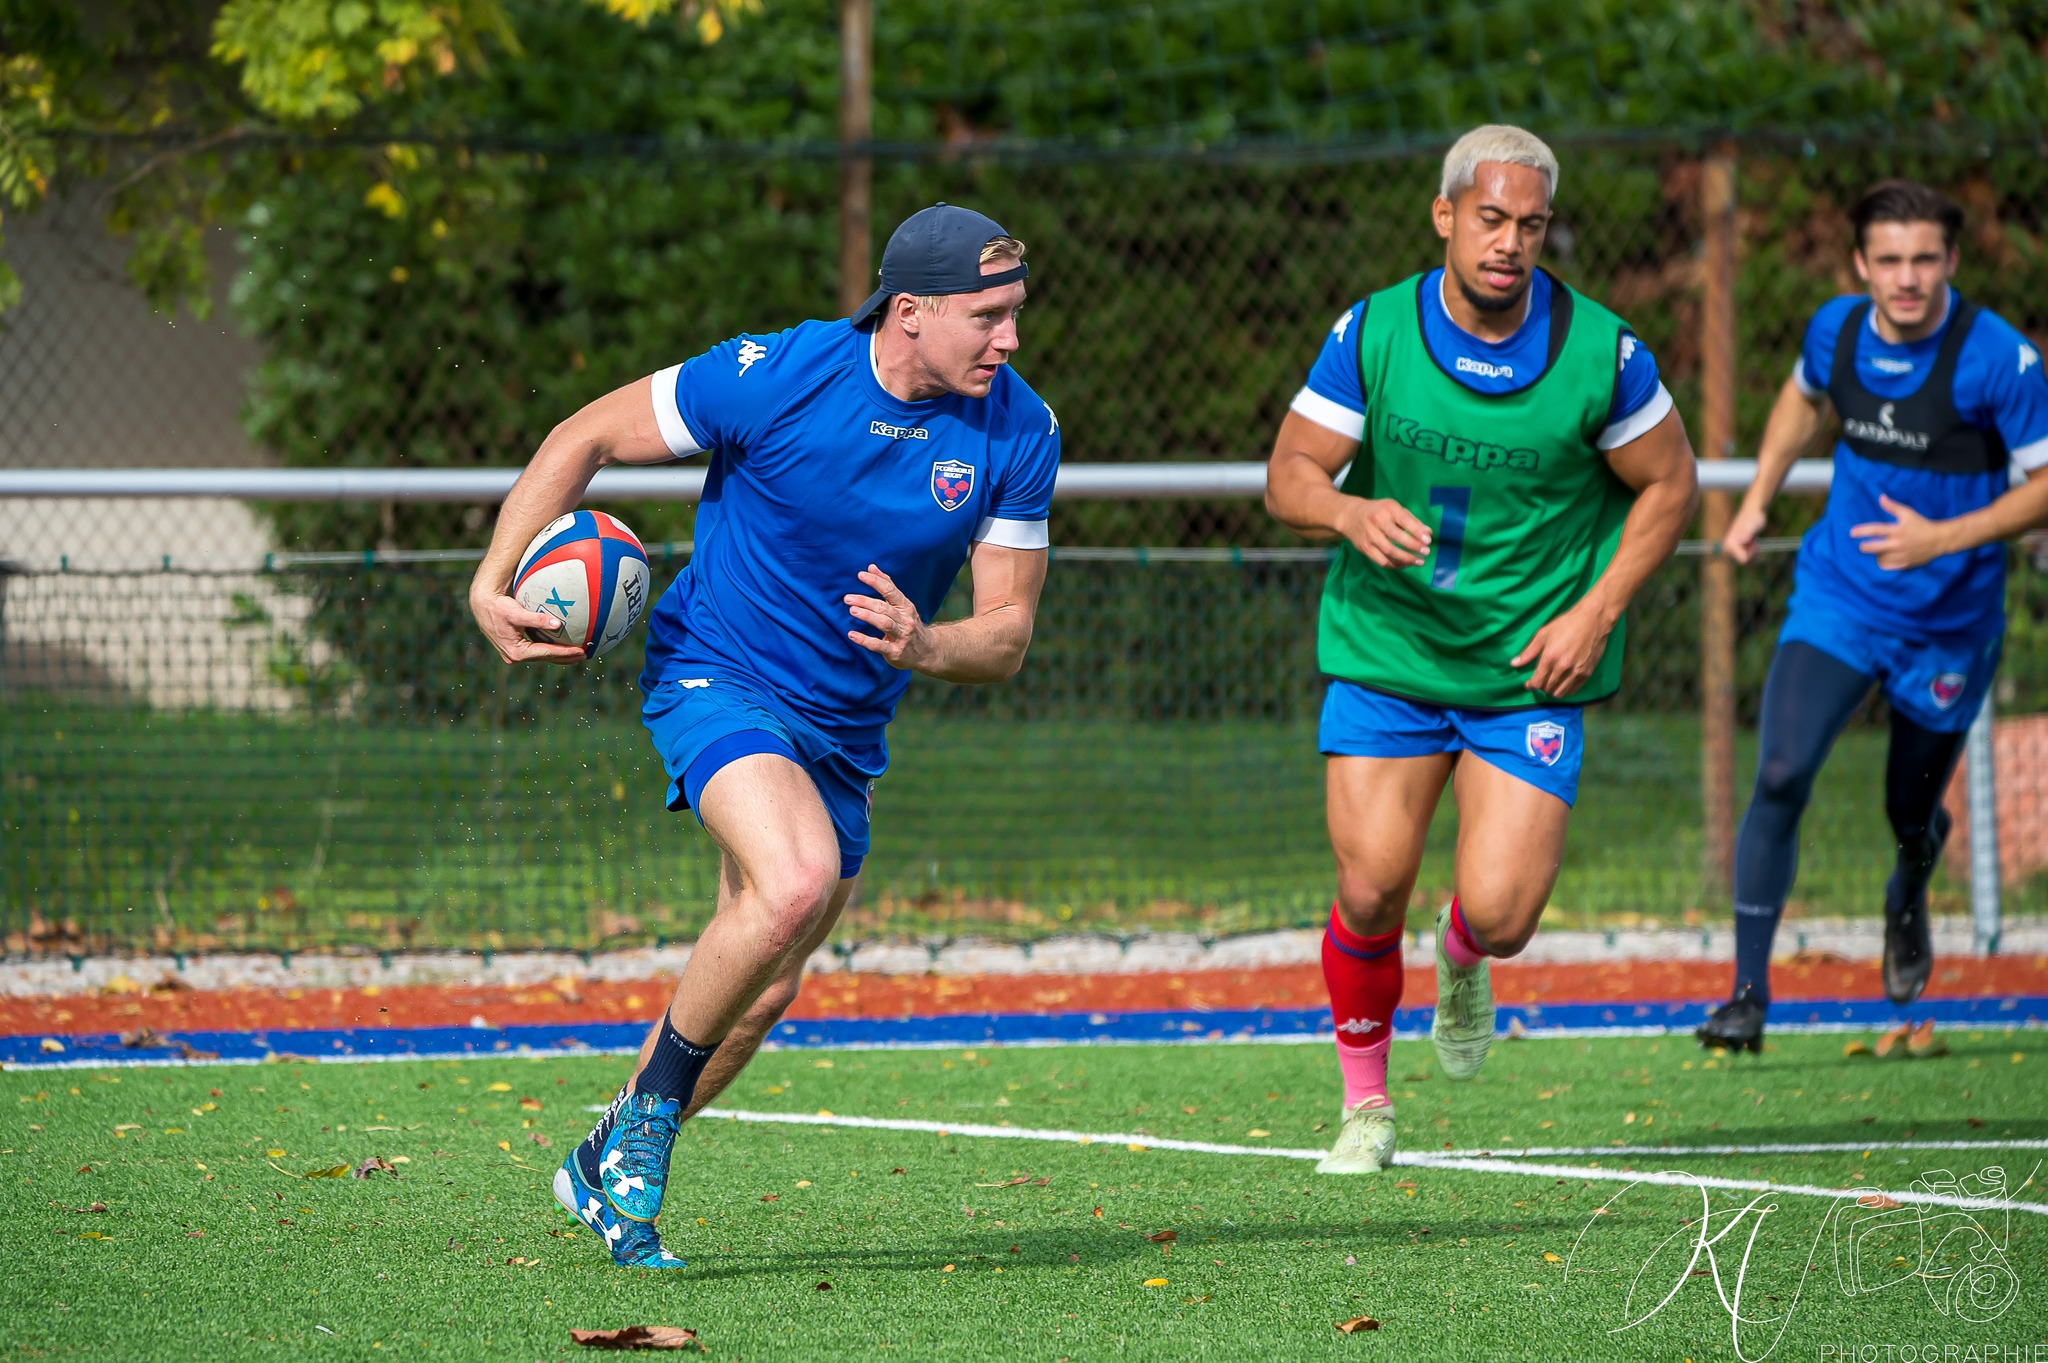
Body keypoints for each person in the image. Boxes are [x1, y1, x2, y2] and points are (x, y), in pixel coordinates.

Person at [467, 204, 1060, 1267]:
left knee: (768, 977)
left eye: (1015, 314)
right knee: (793, 880)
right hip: (716, 673)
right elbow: (584, 435)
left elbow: (1008, 633)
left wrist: (926, 646)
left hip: (843, 725)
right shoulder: (777, 371)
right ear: (909, 312)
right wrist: (487, 579)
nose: (1009, 339)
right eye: (988, 317)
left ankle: (603, 1154)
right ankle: (648, 1122)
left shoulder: (1019, 429)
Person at [1264, 124, 1699, 1175]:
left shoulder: (1602, 351)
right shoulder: (1371, 331)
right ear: (1445, 215)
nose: (1508, 242)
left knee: (1501, 916)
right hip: (1388, 650)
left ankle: (1463, 960)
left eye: (1530, 225)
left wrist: (1593, 611)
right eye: (1490, 219)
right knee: (1369, 890)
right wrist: (1345, 512)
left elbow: (1670, 483)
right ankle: (1364, 1107)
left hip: (1524, 670)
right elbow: (1288, 474)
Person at [1696, 181, 2048, 1056]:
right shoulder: (1837, 329)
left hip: (1949, 622)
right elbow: (1801, 397)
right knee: (1779, 770)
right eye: (1888, 260)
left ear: (1952, 262)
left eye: (1925, 258)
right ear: (1861, 264)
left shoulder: (1998, 360)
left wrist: (1944, 538)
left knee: (1908, 809)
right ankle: (1746, 994)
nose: (1907, 278)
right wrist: (1758, 501)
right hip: (1839, 599)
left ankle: (1909, 888)